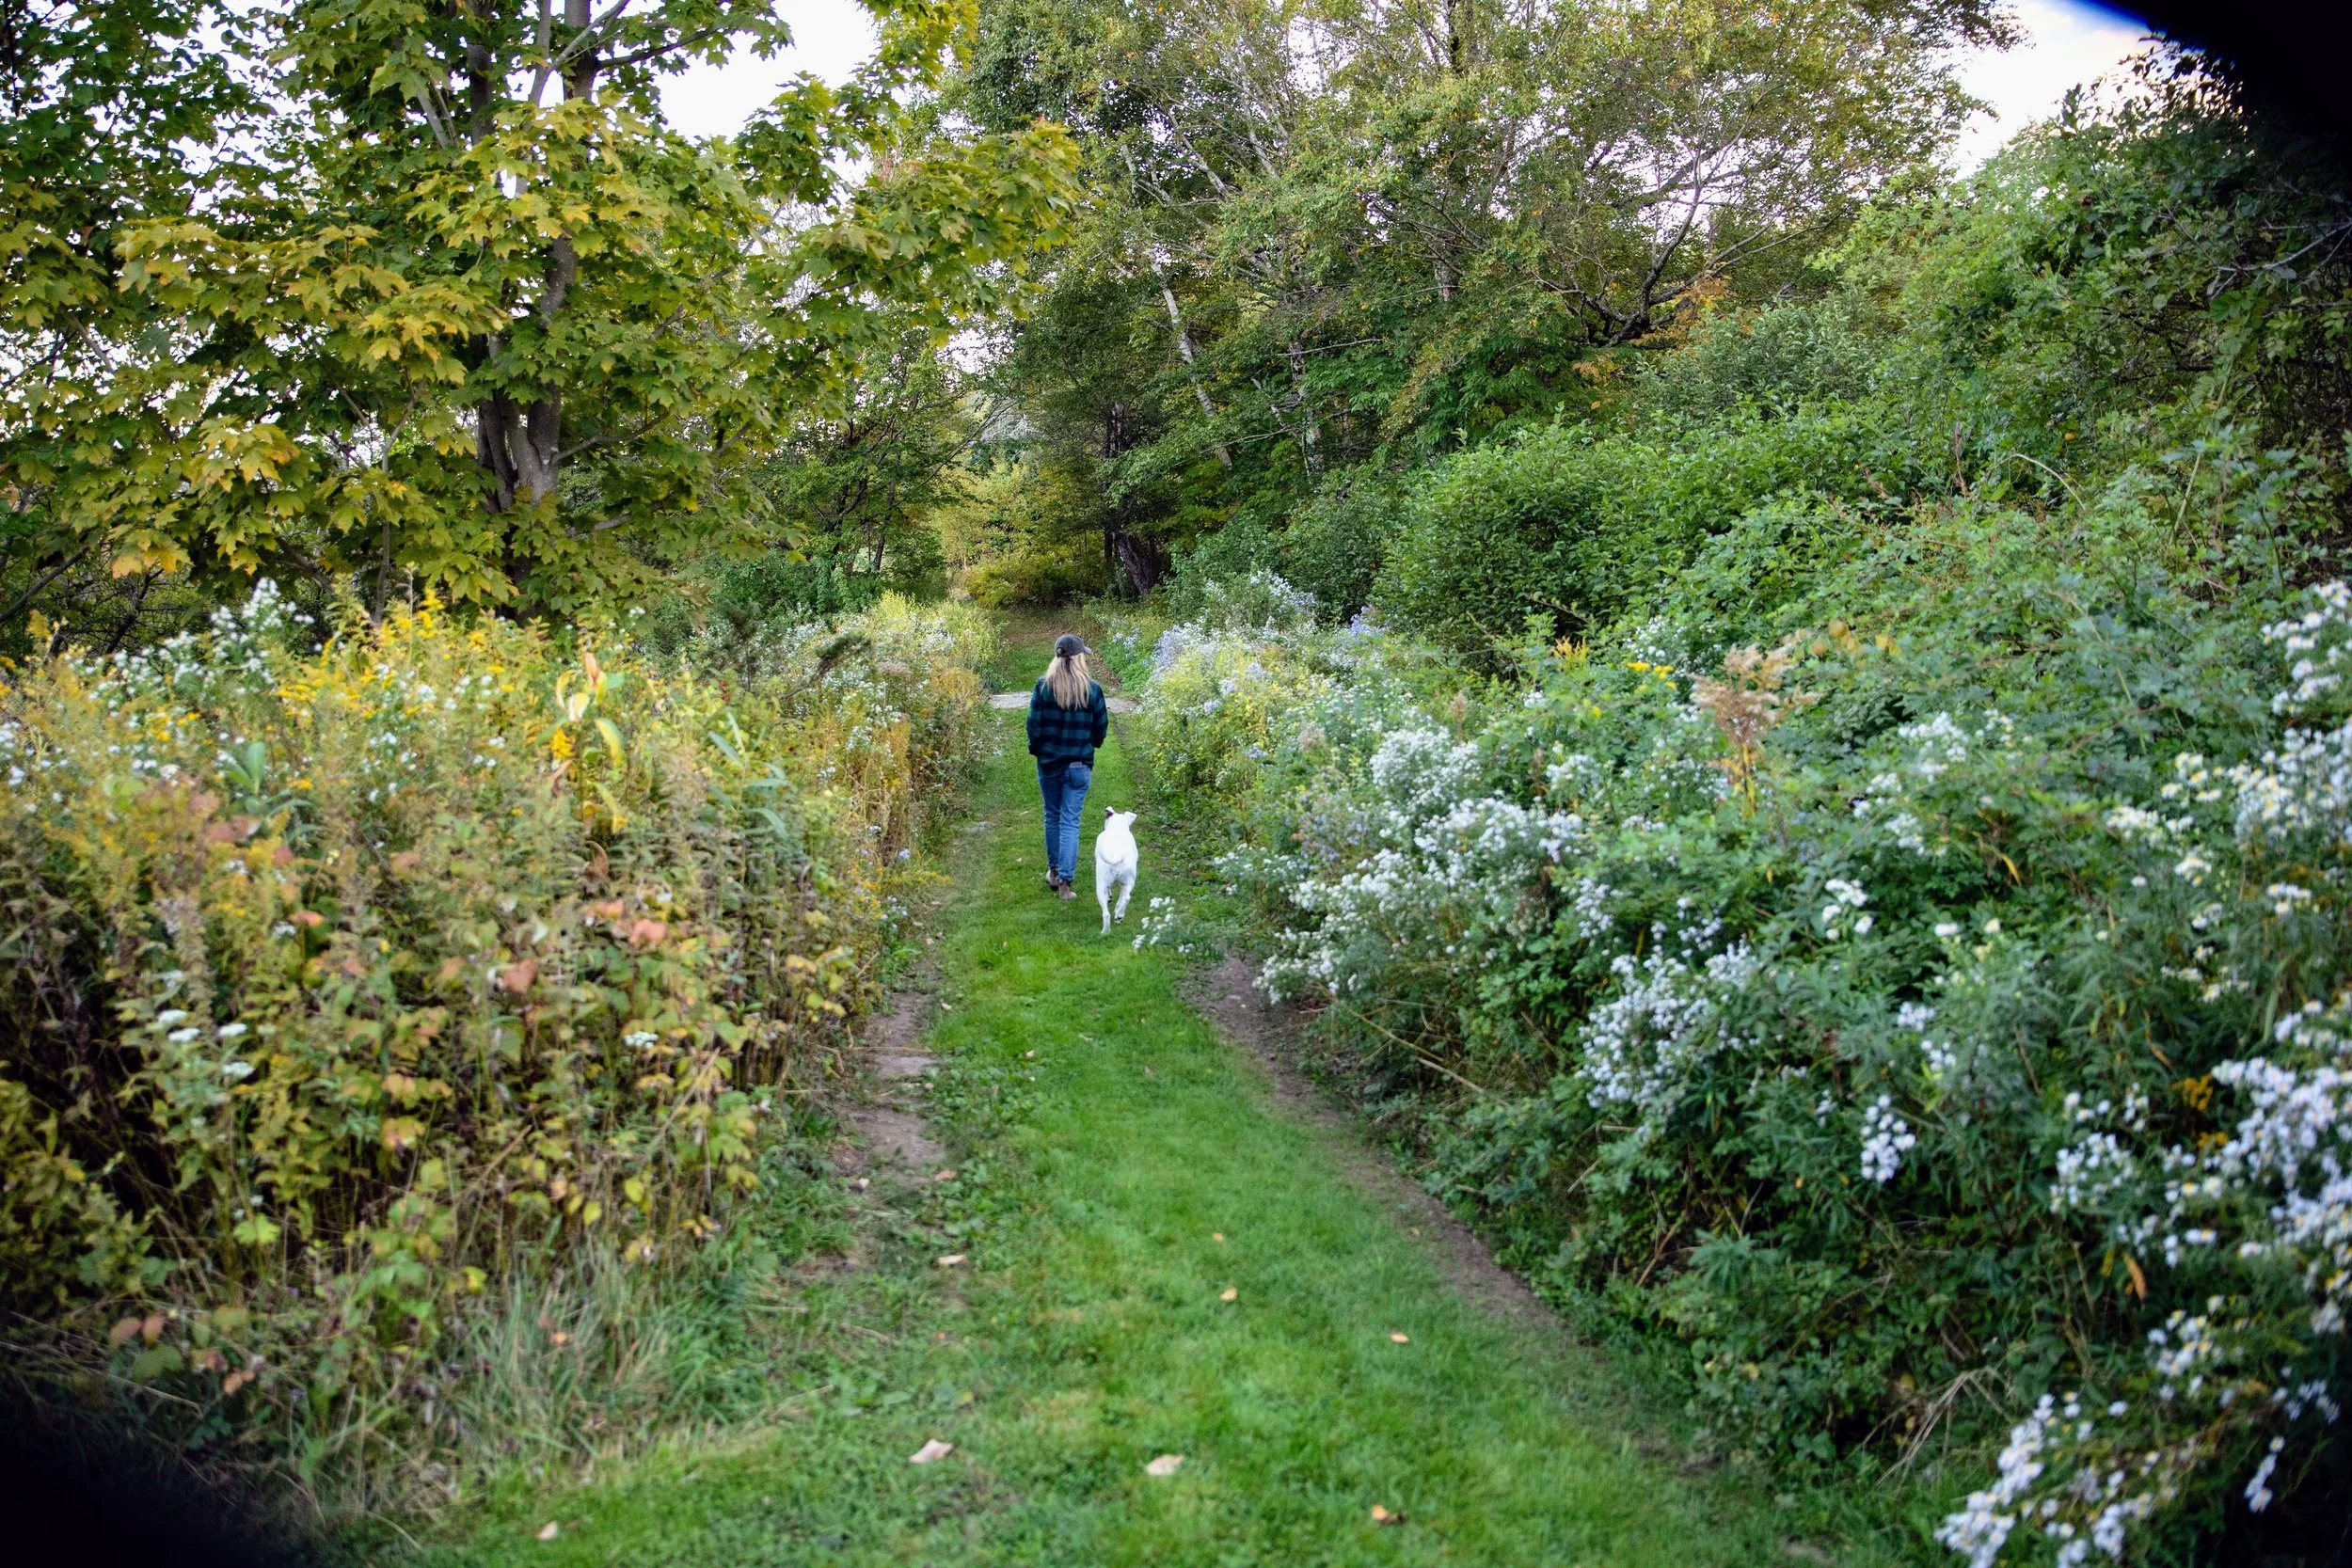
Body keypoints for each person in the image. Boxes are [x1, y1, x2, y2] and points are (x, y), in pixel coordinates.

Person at [1026, 633, 1109, 900]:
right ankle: (1065, 884)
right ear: (1079, 658)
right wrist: (1091, 744)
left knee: (1052, 815)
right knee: (1070, 822)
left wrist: (1038, 750)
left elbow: (1033, 726)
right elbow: (1100, 729)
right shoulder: (1092, 689)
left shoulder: (1042, 687)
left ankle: (1053, 871)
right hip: (1078, 765)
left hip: (1049, 763)